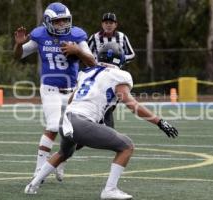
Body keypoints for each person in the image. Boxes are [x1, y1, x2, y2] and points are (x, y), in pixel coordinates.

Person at [24, 42, 178, 199]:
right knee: (127, 146)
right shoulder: (119, 75)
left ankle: (32, 184)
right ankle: (109, 190)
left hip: (66, 120)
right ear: (120, 60)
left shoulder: (86, 72)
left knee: (64, 152)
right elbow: (132, 105)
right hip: (81, 122)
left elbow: (71, 99)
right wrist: (160, 122)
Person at [13, 2, 95, 182]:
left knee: (72, 132)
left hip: (72, 90)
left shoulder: (77, 36)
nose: (63, 25)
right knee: (52, 127)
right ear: (49, 21)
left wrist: (78, 51)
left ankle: (59, 161)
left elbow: (92, 62)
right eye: (58, 22)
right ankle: (38, 171)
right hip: (50, 88)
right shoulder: (40, 35)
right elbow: (19, 56)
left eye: (65, 21)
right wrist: (19, 45)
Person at [88, 12, 136, 129]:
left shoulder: (122, 37)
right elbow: (86, 54)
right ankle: (101, 126)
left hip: (114, 76)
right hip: (99, 76)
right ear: (102, 24)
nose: (108, 25)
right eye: (106, 23)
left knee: (110, 104)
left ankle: (100, 126)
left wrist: (118, 61)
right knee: (101, 102)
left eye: (111, 23)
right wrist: (97, 63)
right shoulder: (94, 38)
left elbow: (131, 54)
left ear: (116, 24)